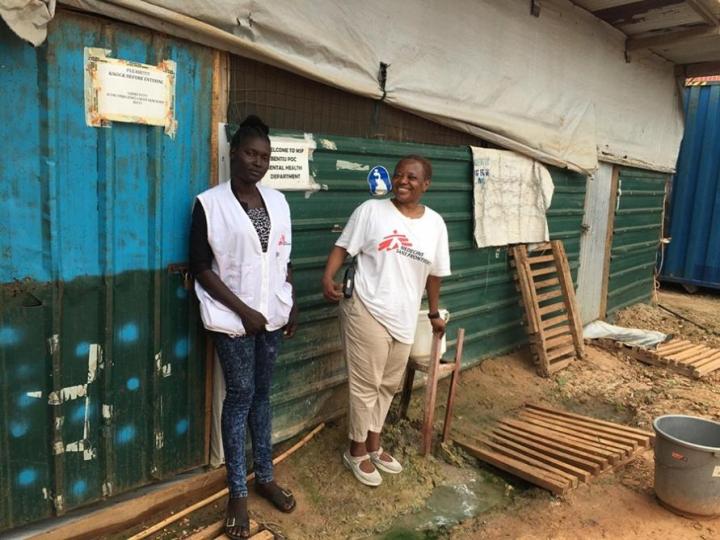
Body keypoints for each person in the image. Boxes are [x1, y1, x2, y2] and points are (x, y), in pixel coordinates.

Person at [189, 115, 298, 539]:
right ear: (233, 153)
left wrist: (292, 301)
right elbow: (200, 267)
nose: (258, 162)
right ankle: (237, 491)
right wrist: (244, 311)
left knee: (263, 395)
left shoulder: (278, 201)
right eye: (251, 153)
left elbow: (281, 259)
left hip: (271, 317)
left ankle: (265, 476)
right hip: (233, 322)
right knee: (240, 397)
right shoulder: (209, 204)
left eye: (265, 156)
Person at [321, 155, 451, 487]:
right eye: (399, 175)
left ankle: (374, 445)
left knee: (388, 383)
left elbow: (435, 274)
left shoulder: (435, 223)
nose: (403, 181)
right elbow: (342, 247)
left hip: (405, 315)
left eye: (412, 177)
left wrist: (434, 314)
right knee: (366, 385)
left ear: (426, 184)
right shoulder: (371, 211)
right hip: (366, 306)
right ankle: (356, 450)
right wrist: (327, 277)